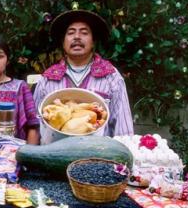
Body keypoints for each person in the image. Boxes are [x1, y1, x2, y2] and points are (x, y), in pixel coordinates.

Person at [32, 9, 134, 138]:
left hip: (99, 155)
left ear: (93, 42)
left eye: (84, 32)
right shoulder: (47, 80)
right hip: (54, 154)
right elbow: (35, 125)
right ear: (63, 42)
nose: (77, 37)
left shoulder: (111, 77)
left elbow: (123, 129)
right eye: (70, 33)